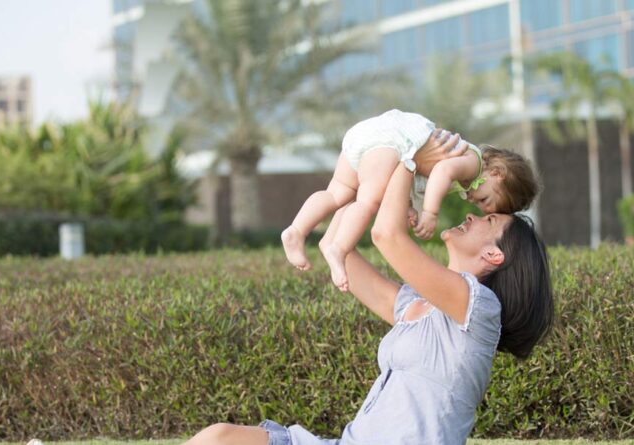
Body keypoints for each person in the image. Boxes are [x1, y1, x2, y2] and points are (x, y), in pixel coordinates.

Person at [181, 132, 554, 445]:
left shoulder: (480, 309)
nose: (472, 214)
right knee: (218, 438)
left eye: (489, 220)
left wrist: (409, 153)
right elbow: (338, 248)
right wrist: (373, 168)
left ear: (494, 255)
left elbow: (386, 236)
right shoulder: (416, 306)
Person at [281, 109, 538, 292]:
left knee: (337, 193)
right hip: (392, 142)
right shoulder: (473, 164)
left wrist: (408, 206)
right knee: (368, 202)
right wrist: (429, 213)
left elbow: (412, 173)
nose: (476, 204)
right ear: (497, 174)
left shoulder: (467, 172)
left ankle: (296, 230)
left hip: (371, 136)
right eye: (485, 200)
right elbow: (440, 171)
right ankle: (338, 248)